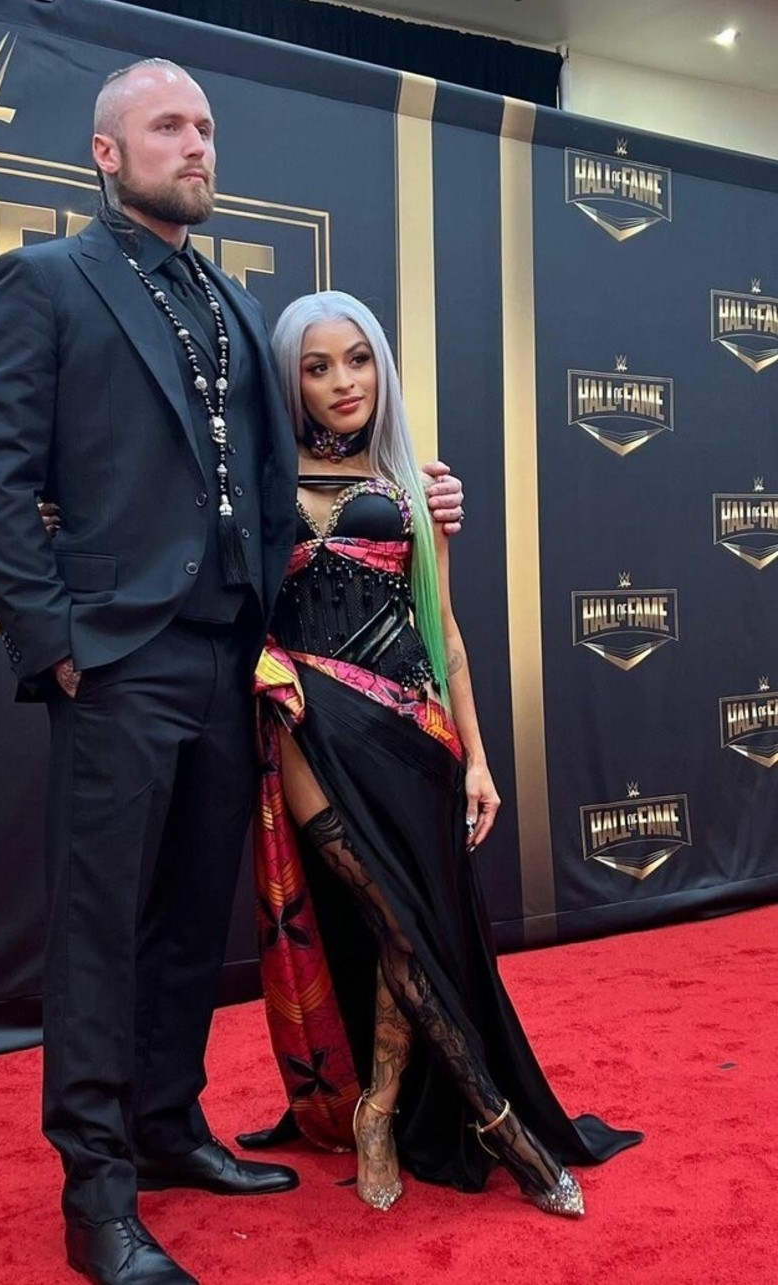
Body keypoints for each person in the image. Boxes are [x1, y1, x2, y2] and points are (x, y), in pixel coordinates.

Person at [0, 60, 462, 1285]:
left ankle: (168, 1125)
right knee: (99, 929)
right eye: (168, 126)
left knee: (192, 918)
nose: (197, 145)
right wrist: (54, 639)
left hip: (235, 657)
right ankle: (96, 1195)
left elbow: (289, 479)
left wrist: (411, 497)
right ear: (105, 152)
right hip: (116, 659)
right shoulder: (47, 281)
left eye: (206, 127)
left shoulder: (234, 301)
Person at [238, 291, 642, 1218]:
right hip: (306, 723)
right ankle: (504, 1128)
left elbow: (444, 629)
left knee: (407, 928)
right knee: (387, 914)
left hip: (412, 730)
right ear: (290, 381)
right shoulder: (259, 484)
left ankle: (382, 1109)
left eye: (358, 359)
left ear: (381, 366)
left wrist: (479, 759)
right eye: (317, 366)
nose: (343, 381)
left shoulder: (413, 486)